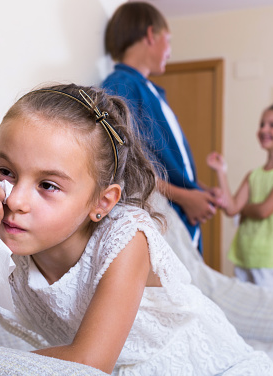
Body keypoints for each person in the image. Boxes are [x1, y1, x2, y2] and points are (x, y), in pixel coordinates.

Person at [0, 84, 273, 375]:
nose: (15, 200)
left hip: (213, 367)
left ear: (102, 202)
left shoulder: (126, 239)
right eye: (6, 172)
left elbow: (88, 363)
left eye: (47, 185)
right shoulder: (5, 244)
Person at [102, 2, 222, 252]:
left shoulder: (150, 91)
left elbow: (162, 160)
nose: (169, 51)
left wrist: (199, 191)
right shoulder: (121, 86)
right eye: (168, 40)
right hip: (166, 216)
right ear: (150, 35)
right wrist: (186, 197)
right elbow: (127, 163)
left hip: (181, 216)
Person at [207, 101, 273, 291]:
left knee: (269, 315)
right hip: (245, 254)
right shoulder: (253, 175)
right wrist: (221, 172)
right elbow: (232, 209)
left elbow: (264, 210)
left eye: (272, 125)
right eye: (262, 124)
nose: (264, 129)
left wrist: (243, 208)